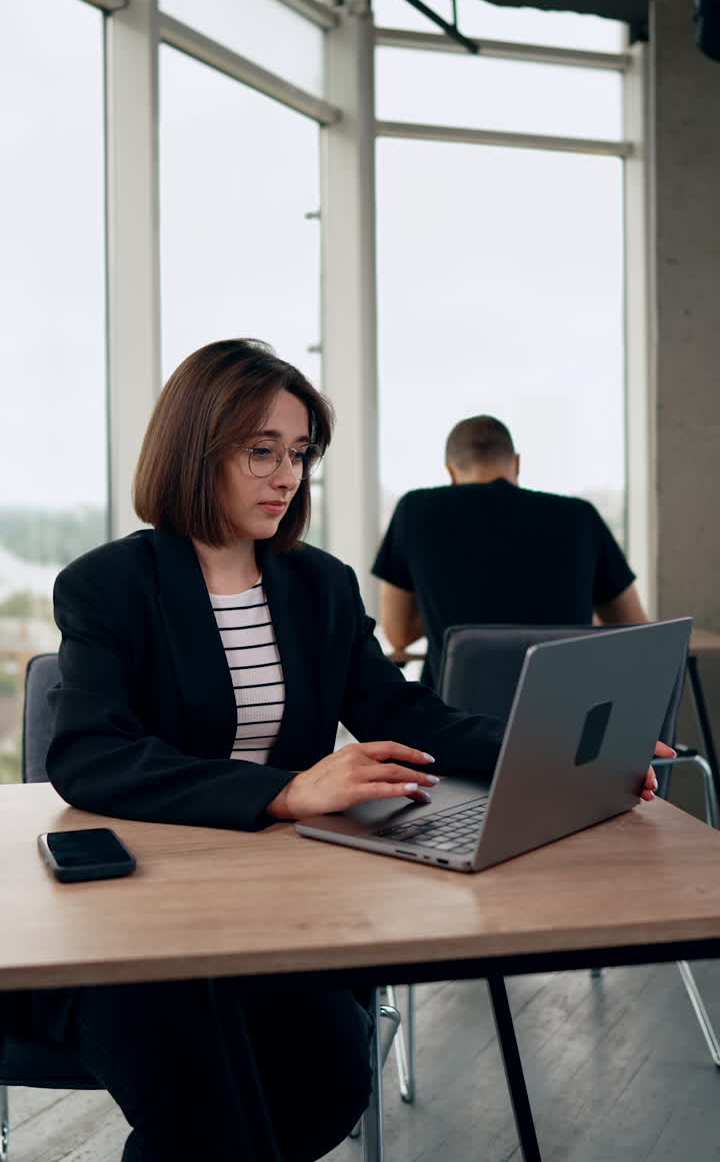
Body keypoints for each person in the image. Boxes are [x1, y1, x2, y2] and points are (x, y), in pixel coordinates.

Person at [33, 344, 665, 1162]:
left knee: (328, 1084)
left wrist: (564, 750)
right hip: (136, 916)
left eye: (299, 454)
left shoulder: (318, 585)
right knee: (205, 1114)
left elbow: (407, 714)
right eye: (261, 450)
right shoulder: (107, 584)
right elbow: (89, 756)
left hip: (275, 903)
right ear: (195, 447)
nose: (286, 475)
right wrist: (284, 791)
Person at [373, 414, 648, 688]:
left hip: (455, 718)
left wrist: (449, 602)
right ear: (516, 463)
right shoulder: (580, 517)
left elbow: (399, 633)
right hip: (563, 713)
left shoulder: (416, 511)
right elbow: (633, 626)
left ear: (451, 472)